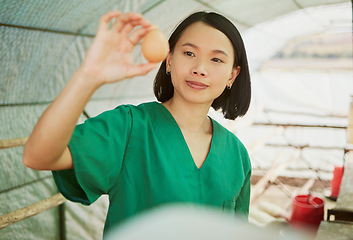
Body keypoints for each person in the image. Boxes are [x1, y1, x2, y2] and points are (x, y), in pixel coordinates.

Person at [23, 10, 252, 236]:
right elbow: (38, 155)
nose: (199, 69)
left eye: (216, 59)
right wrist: (89, 76)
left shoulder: (237, 155)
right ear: (169, 60)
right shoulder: (129, 128)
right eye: (189, 53)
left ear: (232, 75)